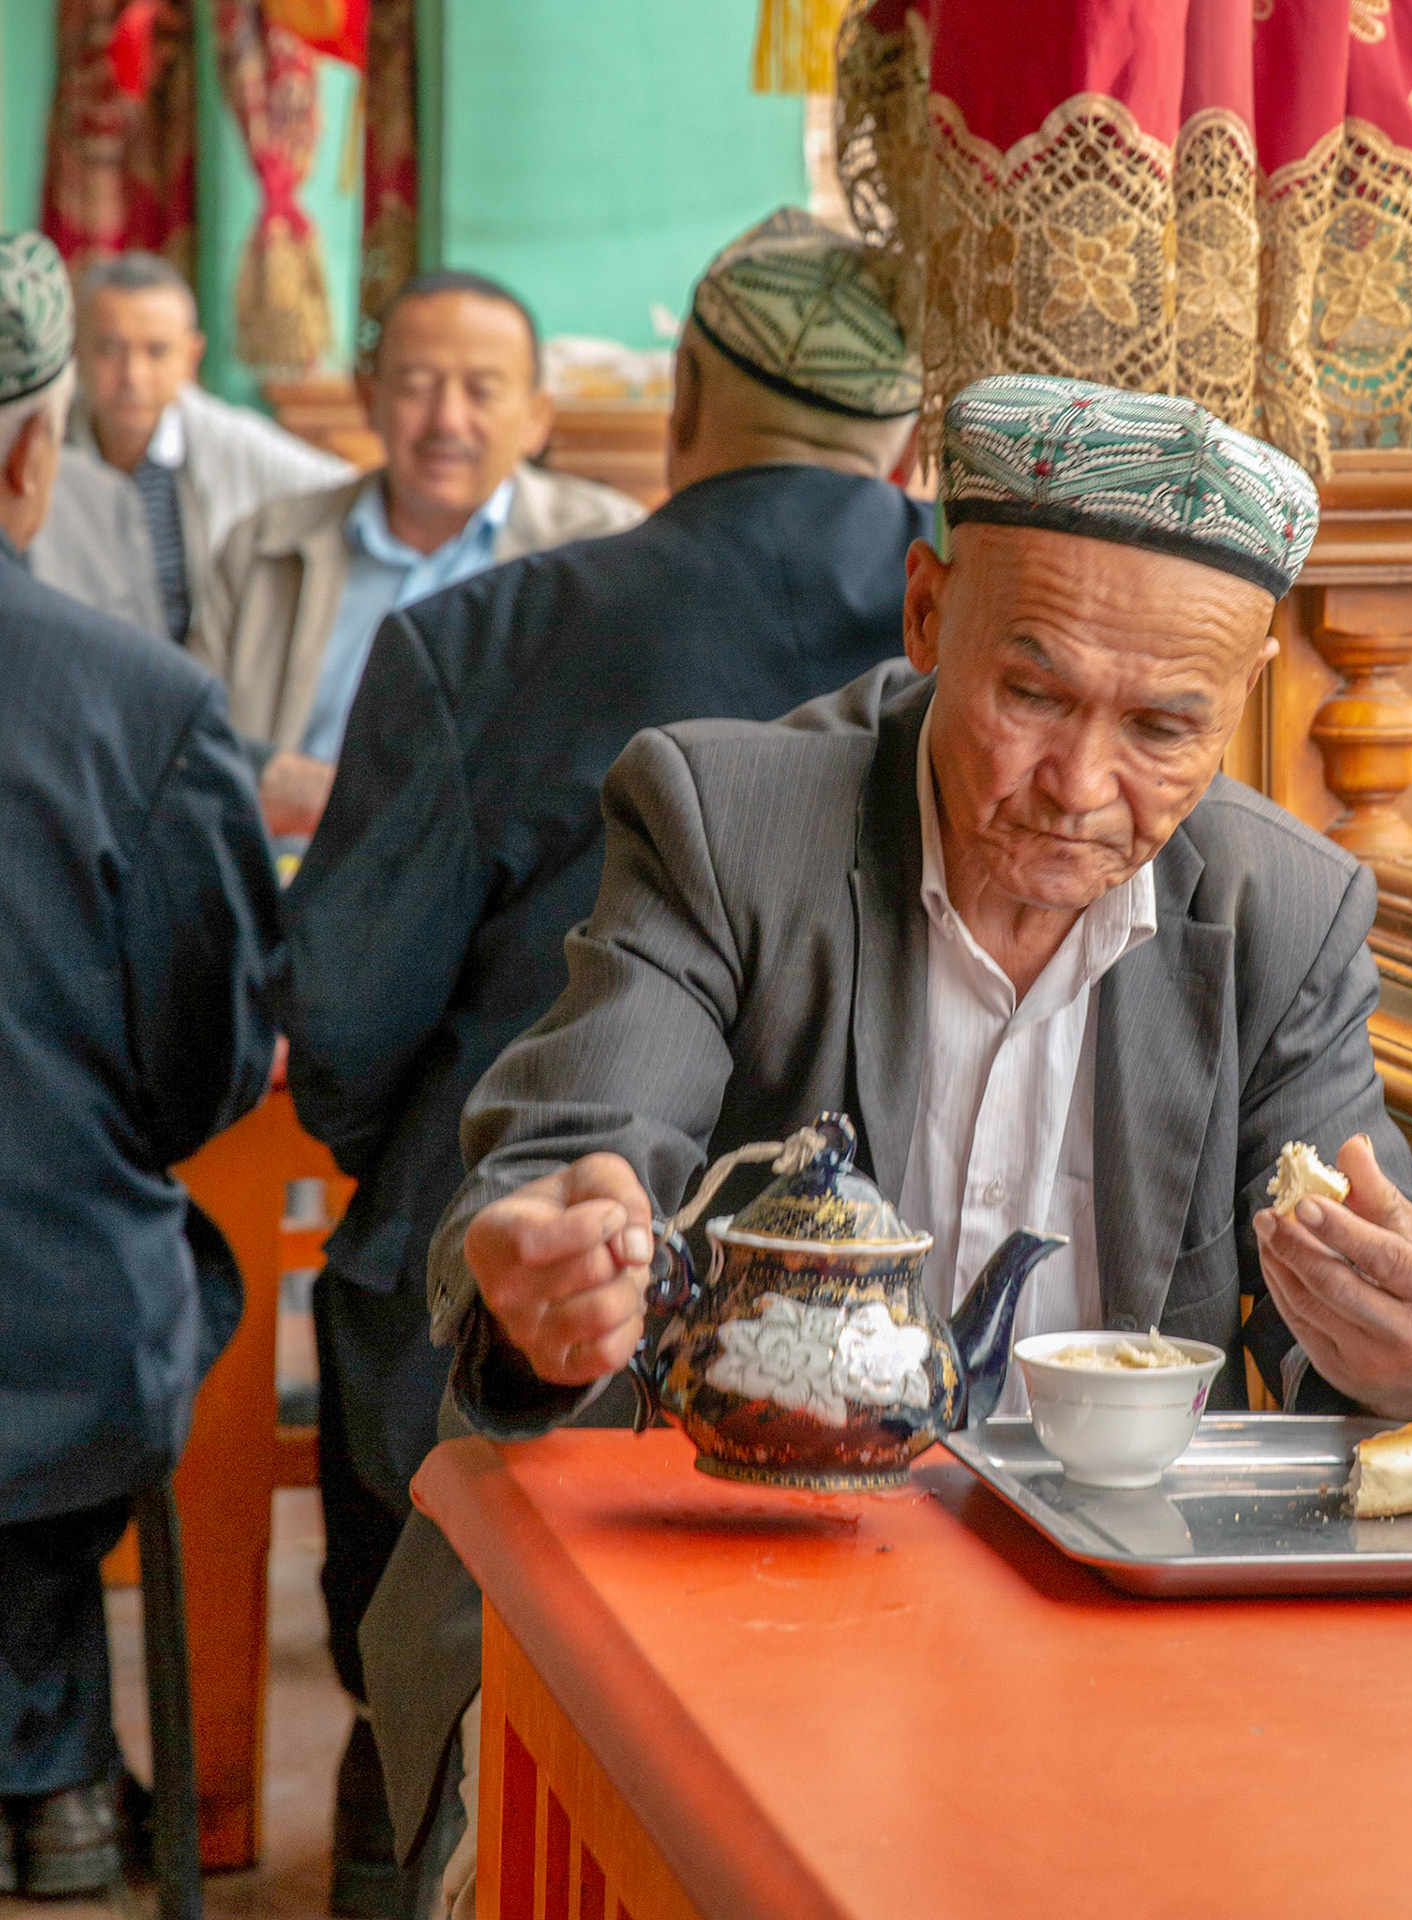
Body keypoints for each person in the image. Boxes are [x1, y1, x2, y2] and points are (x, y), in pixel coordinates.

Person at [361, 373, 1412, 1907]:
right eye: (1031, 694)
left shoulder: (1281, 913)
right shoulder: (729, 817)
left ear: (1240, 701)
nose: (1081, 787)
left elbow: (1385, 1295)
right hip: (713, 1587)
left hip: (1093, 1628)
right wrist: (550, 1267)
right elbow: (578, 1142)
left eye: (1166, 726)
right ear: (926, 616)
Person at [279, 208, 927, 1918]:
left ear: (686, 398)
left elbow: (341, 1034)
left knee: (431, 1717)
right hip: (906, 1367)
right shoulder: (979, 633)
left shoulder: (484, 637)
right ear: (913, 447)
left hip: (497, 1349)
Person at [0, 233, 279, 1897]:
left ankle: (48, 1759)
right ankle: (50, 1770)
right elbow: (207, 1072)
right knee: (134, 1271)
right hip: (45, 1356)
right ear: (34, 457)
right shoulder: (144, 701)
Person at [194, 269, 642, 842]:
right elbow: (192, 748)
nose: (447, 421)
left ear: (536, 418)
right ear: (367, 396)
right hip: (276, 899)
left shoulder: (607, 553)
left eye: (481, 390)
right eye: (416, 385)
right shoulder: (267, 546)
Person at [29, 250, 352, 642]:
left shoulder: (233, 445)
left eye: (157, 351)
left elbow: (346, 493)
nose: (133, 375)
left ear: (191, 357)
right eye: (111, 350)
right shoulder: (36, 449)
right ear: (76, 351)